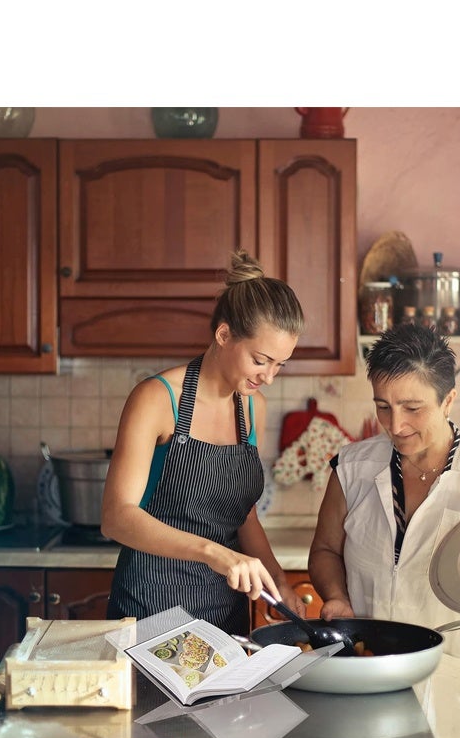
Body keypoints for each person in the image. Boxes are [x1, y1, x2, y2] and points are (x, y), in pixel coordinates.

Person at [101, 249, 306, 637]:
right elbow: (116, 517)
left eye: (280, 364)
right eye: (261, 360)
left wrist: (279, 581)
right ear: (224, 335)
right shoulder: (157, 398)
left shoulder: (253, 407)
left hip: (226, 615)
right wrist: (214, 553)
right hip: (151, 609)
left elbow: (243, 516)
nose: (269, 377)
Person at [308, 323, 460, 662]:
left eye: (412, 408)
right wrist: (336, 596)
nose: (395, 425)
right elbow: (325, 550)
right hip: (367, 664)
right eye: (383, 406)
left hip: (455, 669)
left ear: (448, 401)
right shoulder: (351, 467)